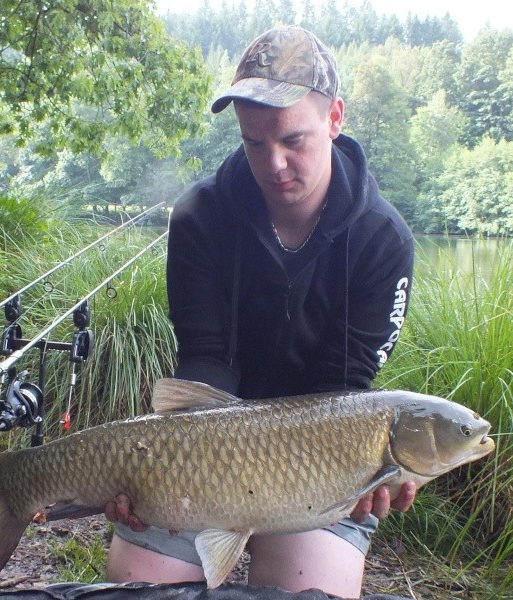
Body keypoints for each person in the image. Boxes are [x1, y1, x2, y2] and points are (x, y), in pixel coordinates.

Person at [105, 25, 417, 598]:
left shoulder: (382, 239)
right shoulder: (201, 214)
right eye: (254, 144)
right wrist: (154, 473)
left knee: (307, 593)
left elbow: (345, 387)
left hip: (315, 460)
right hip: (208, 448)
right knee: (136, 590)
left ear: (335, 118)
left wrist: (363, 477)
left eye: (293, 140)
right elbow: (204, 360)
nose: (274, 164)